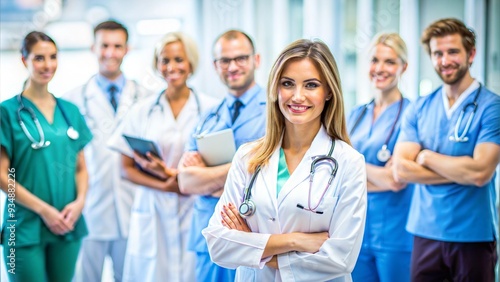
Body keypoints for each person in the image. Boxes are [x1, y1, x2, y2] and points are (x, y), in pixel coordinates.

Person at [202, 38, 367, 281]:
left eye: (311, 85)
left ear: (329, 91)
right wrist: (295, 241)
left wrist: (252, 247)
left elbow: (340, 259)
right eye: (287, 83)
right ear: (275, 89)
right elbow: (218, 244)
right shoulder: (248, 157)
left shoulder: (348, 162)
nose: (297, 96)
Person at [392, 18, 500, 281]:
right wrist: (461, 170)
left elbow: (480, 173)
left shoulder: (491, 107)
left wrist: (427, 157)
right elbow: (401, 169)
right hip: (425, 232)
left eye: (453, 52)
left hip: (473, 233)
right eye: (437, 53)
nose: (444, 60)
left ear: (471, 54)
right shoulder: (419, 108)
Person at [107, 31, 219, 282]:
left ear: (191, 63)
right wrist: (166, 185)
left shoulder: (211, 109)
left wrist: (180, 182)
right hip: (153, 205)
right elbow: (126, 168)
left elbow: (221, 166)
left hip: (195, 205)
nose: (171, 67)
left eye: (179, 59)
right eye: (164, 60)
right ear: (157, 65)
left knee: (193, 271)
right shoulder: (142, 110)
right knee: (153, 272)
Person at [0, 31, 92, 282]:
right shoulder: (6, 112)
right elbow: (2, 176)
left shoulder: (69, 111)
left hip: (67, 222)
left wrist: (80, 203)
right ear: (24, 60)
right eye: (39, 58)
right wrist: (45, 211)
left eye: (53, 57)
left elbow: (81, 168)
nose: (48, 65)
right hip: (23, 226)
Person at [64, 20, 151, 282]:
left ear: (127, 49)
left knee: (132, 277)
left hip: (134, 206)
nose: (110, 53)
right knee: (85, 277)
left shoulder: (146, 99)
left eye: (117, 46)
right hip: (90, 208)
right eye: (104, 45)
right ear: (93, 47)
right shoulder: (72, 101)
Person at [177, 29, 266, 282]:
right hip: (208, 232)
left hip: (250, 231)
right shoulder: (208, 117)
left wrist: (205, 176)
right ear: (215, 66)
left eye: (241, 58)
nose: (232, 66)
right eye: (224, 61)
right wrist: (243, 170)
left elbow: (270, 171)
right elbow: (185, 182)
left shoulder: (276, 113)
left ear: (256, 60)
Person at [348, 33, 413, 282]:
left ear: (403, 67)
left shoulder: (411, 115)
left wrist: (355, 166)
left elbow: (396, 180)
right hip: (354, 231)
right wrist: (378, 175)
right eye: (375, 60)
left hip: (395, 235)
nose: (380, 68)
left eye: (390, 62)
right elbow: (338, 176)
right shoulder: (356, 115)